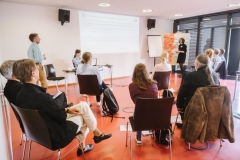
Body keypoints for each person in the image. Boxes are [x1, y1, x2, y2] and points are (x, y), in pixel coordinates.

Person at [13, 59, 112, 156]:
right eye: (37, 68)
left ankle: (95, 134)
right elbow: (61, 117)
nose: (39, 70)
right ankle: (86, 143)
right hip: (55, 135)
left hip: (37, 133)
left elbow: (48, 110)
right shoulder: (41, 96)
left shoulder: (20, 94)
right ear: (33, 73)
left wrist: (67, 109)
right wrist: (66, 110)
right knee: (84, 115)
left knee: (84, 106)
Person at [0, 60, 72, 108]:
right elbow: (41, 100)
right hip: (42, 116)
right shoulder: (23, 88)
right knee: (61, 95)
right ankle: (67, 108)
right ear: (14, 72)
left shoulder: (8, 87)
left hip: (31, 114)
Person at [176, 54, 219, 129]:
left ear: (197, 63)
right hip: (210, 106)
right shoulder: (215, 75)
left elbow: (182, 93)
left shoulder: (191, 75)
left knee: (181, 101)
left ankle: (186, 123)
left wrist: (179, 106)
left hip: (193, 107)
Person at [129, 63, 158, 145]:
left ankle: (138, 138)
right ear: (146, 72)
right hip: (156, 119)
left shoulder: (132, 86)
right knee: (147, 108)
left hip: (139, 120)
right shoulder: (154, 85)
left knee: (139, 109)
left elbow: (134, 101)